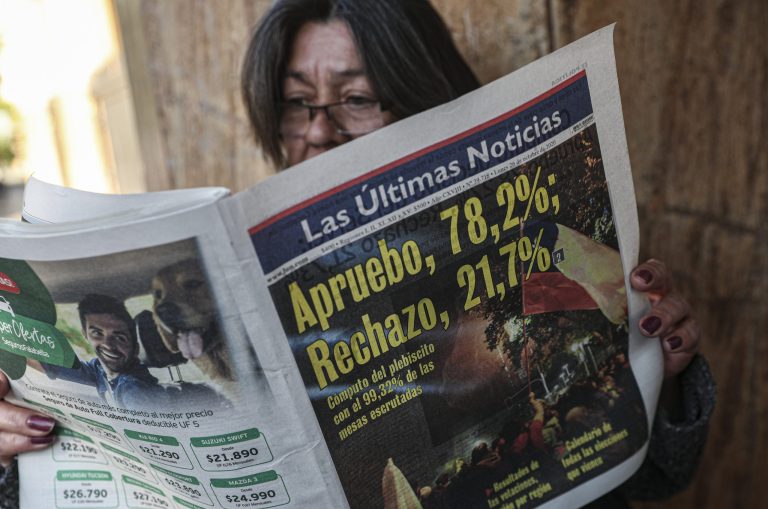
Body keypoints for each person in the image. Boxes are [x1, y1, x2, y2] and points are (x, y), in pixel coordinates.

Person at [0, 1, 714, 507]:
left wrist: (664, 370)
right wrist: (19, 455)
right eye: (294, 101)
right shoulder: (248, 280)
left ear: (426, 100)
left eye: (359, 98)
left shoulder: (535, 237)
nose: (319, 131)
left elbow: (653, 475)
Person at [37, 294, 169, 409]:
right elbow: (53, 367)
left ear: (136, 348)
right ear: (85, 335)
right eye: (97, 333)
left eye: (119, 337)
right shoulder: (100, 369)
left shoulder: (135, 390)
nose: (108, 346)